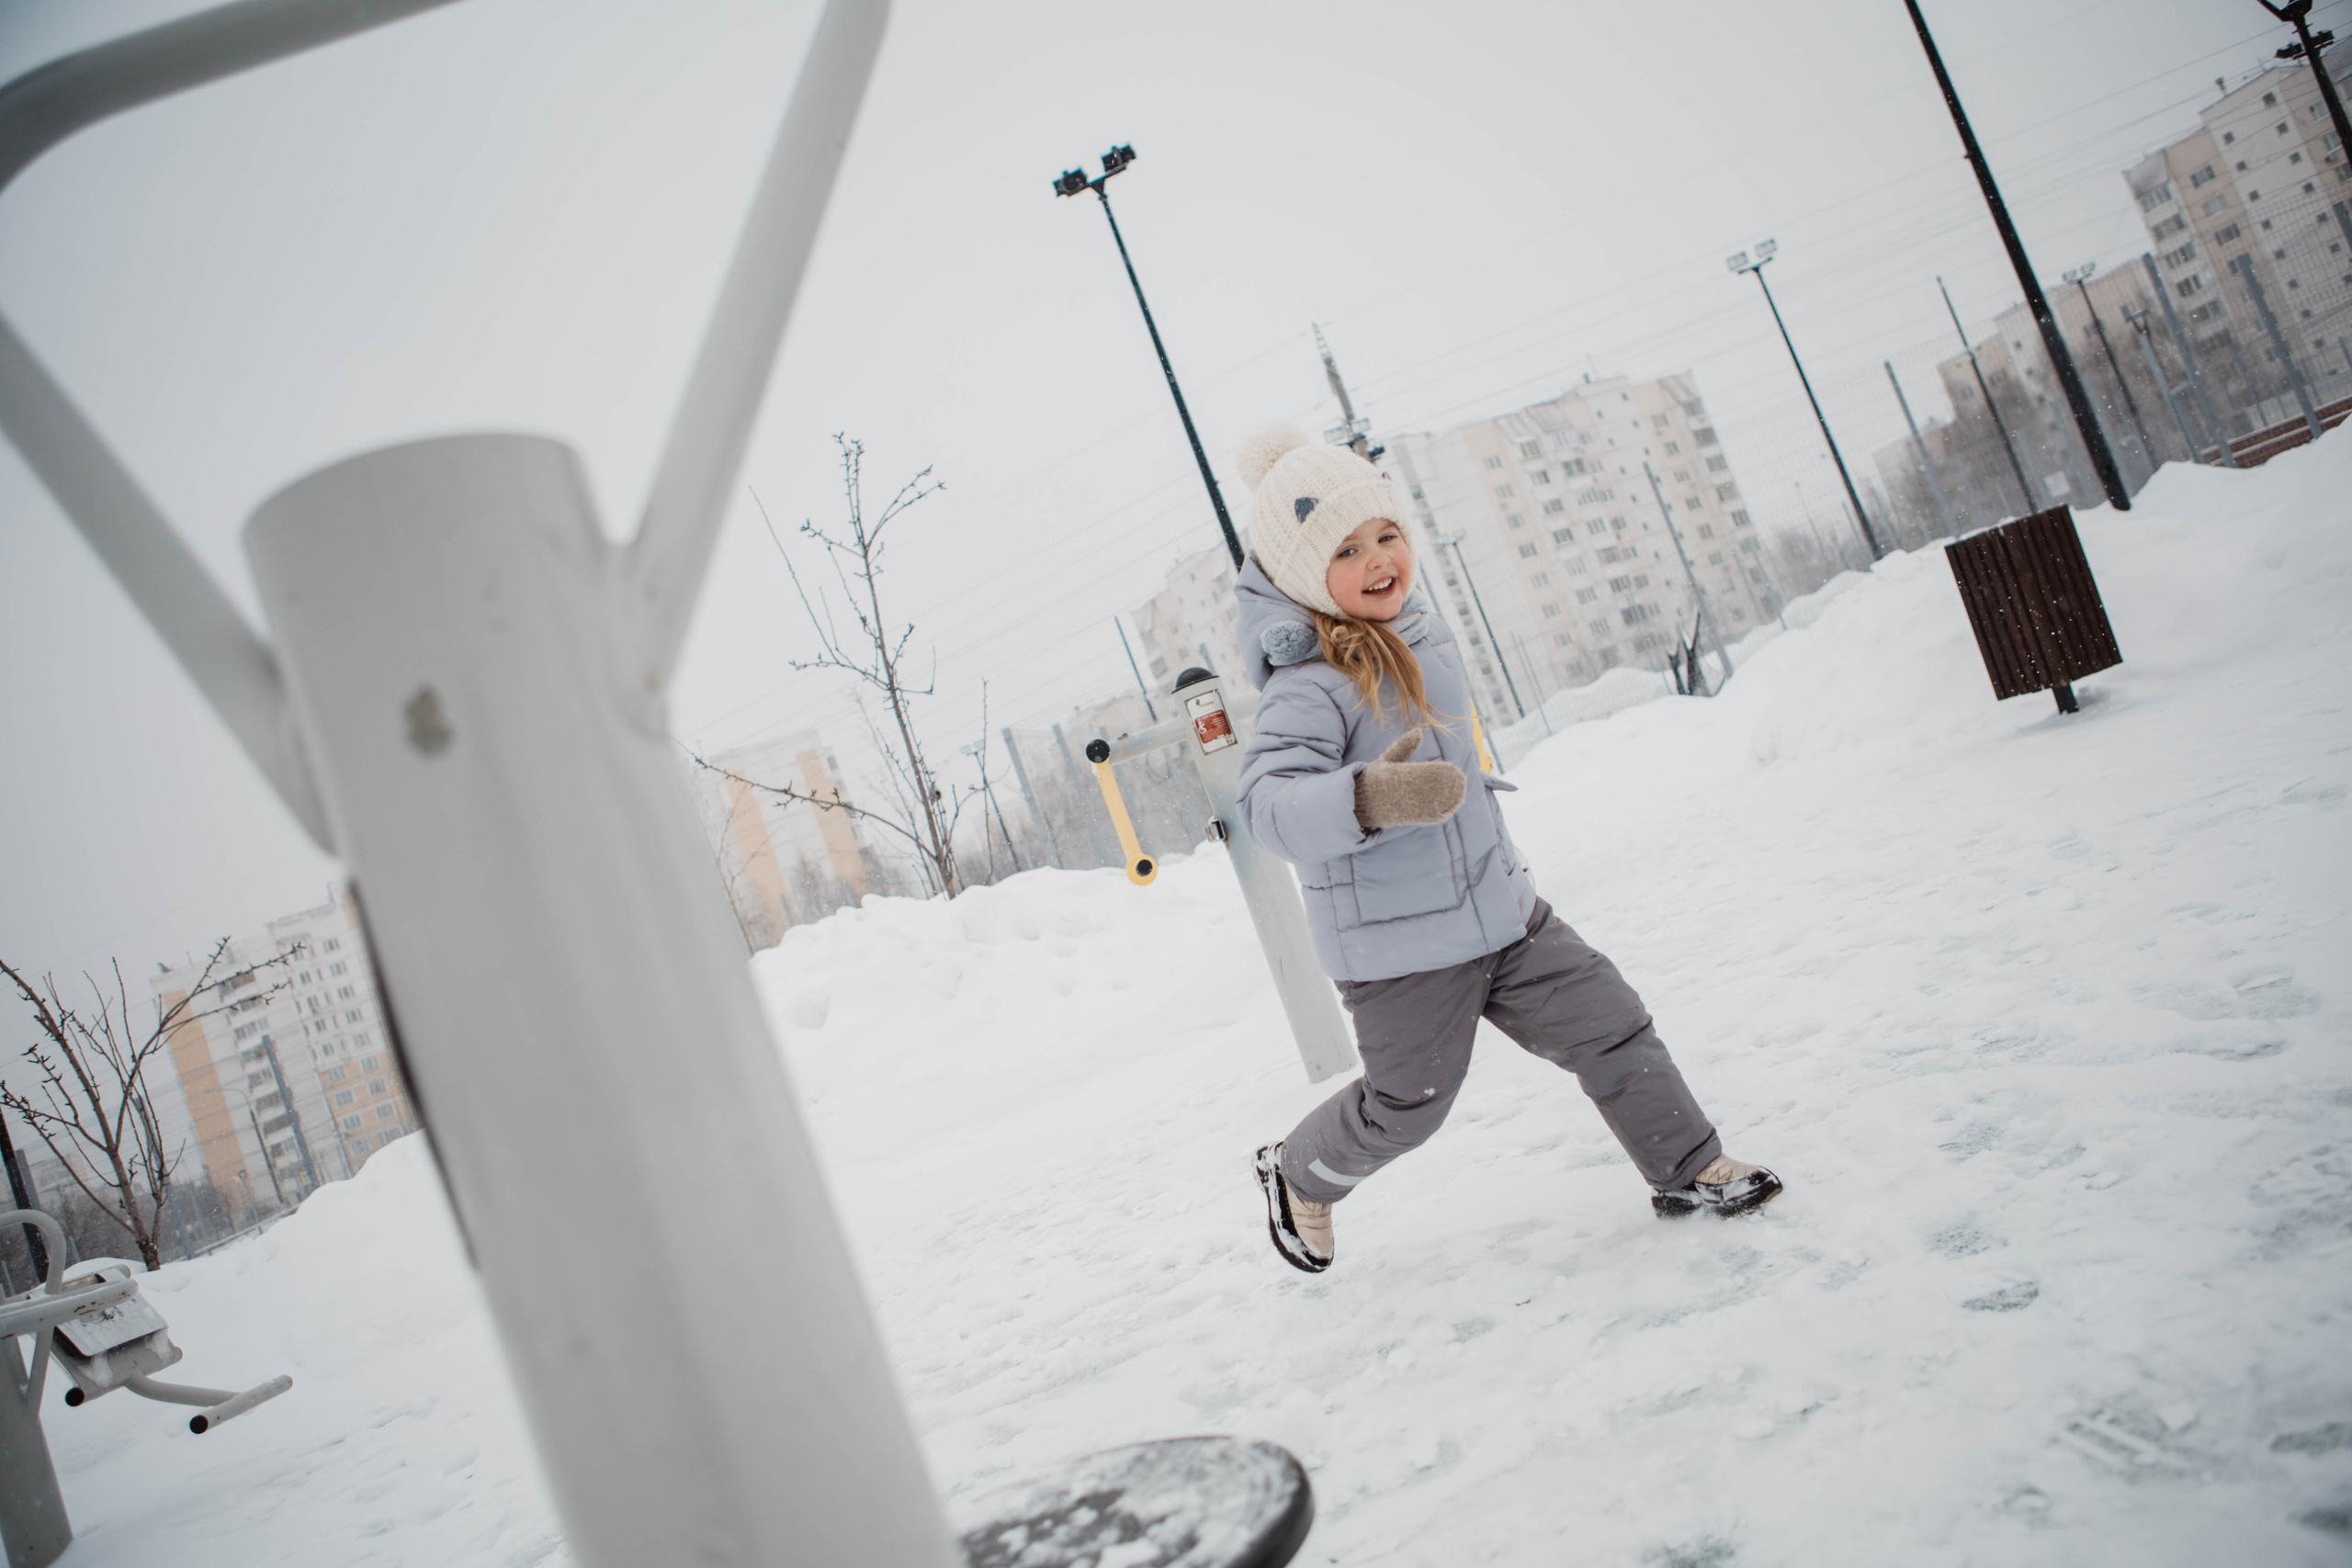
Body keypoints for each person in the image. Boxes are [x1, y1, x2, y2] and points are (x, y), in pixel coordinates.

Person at [1229, 422, 1781, 1274]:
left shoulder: (1421, 633)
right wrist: (1367, 798)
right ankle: (1300, 1170)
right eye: (1347, 548)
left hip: (1503, 911)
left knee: (1611, 1024)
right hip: (1401, 953)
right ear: (1305, 576)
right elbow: (1265, 806)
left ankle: (1685, 1168)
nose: (1380, 559)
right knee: (1407, 1105)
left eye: (1387, 534)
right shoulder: (1310, 688)